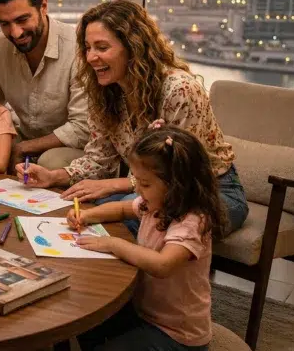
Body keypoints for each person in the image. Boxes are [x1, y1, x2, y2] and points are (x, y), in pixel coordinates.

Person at [19, 0, 248, 235]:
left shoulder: (179, 89)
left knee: (126, 219)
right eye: (87, 48)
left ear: (133, 47)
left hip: (208, 192)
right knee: (89, 206)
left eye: (101, 47)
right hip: (147, 189)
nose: (90, 57)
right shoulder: (105, 92)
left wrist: (115, 185)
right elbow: (100, 158)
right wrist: (54, 176)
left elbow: (179, 176)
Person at [72, 126, 223, 350]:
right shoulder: (154, 204)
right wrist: (86, 215)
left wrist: (113, 244)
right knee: (84, 317)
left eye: (145, 184)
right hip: (144, 313)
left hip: (177, 335)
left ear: (176, 185)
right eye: (137, 182)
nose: (138, 191)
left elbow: (163, 265)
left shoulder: (192, 221)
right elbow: (122, 209)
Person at [0, 0, 89, 170]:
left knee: (50, 161)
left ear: (43, 6)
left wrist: (24, 148)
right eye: (4, 23)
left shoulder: (77, 47)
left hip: (71, 147)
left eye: (22, 20)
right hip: (23, 138)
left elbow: (82, 128)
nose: (15, 33)